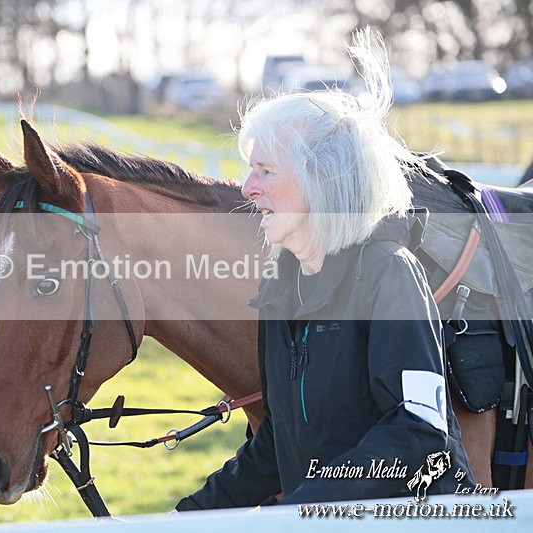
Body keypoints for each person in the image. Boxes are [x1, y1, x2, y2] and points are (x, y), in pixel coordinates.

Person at [176, 28, 475, 509]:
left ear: (322, 182)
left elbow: (420, 430)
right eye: (251, 170)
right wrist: (187, 515)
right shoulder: (281, 284)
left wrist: (309, 504)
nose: (248, 187)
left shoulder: (388, 274)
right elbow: (279, 441)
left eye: (267, 171)